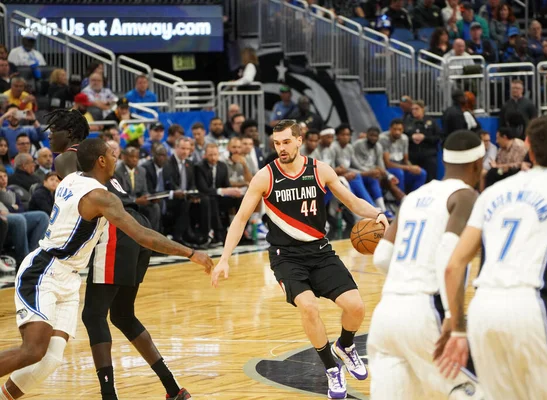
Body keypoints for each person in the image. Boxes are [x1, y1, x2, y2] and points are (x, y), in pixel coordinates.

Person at [0, 137, 213, 400]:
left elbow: (65, 159)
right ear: (101, 160)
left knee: (51, 359)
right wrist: (190, 253)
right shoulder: (100, 197)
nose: (116, 158)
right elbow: (142, 235)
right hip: (43, 271)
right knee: (33, 350)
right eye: (113, 154)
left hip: (69, 278)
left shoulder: (69, 178)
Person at [211, 120, 389, 399]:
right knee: (308, 307)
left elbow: (352, 202)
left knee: (355, 307)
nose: (280, 148)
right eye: (276, 143)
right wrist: (224, 258)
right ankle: (331, 368)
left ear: (298, 140)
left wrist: (376, 214)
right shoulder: (265, 176)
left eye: (285, 142)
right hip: (286, 257)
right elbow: (241, 218)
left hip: (319, 251)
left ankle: (344, 345)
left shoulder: (319, 170)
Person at [437, 116, 547, 400]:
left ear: (529, 149)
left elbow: (454, 265)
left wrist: (459, 329)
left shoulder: (491, 193)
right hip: (530, 307)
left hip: (482, 310)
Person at [46, 110, 199, 400]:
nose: (49, 136)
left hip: (116, 231)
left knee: (93, 315)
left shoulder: (67, 157)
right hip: (136, 225)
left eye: (53, 130)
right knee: (123, 315)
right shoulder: (95, 154)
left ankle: (109, 396)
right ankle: (173, 388)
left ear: (69, 132)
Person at [368, 130, 484, 399]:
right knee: (477, 391)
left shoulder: (414, 196)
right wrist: (452, 318)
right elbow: (447, 252)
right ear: (477, 164)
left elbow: (381, 257)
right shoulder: (465, 196)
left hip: (386, 314)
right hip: (425, 310)